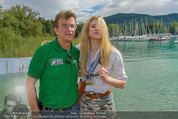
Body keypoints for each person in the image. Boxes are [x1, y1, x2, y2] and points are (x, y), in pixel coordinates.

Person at [26, 10, 80, 119]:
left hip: (74, 110)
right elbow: (29, 85)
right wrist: (36, 115)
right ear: (56, 30)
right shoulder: (43, 51)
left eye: (72, 26)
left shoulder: (76, 52)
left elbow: (77, 74)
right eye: (64, 26)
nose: (69, 29)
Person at [78, 16, 128, 119]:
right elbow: (62, 51)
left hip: (105, 102)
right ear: (88, 31)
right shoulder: (79, 49)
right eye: (93, 26)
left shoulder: (114, 53)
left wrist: (107, 79)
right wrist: (47, 45)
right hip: (85, 101)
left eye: (100, 26)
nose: (97, 29)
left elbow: (122, 84)